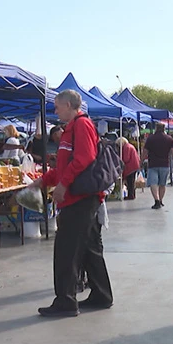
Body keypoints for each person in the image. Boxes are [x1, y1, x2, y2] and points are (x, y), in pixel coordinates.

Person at [28, 89, 113, 317]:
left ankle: (66, 301)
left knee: (67, 250)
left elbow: (85, 159)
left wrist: (63, 186)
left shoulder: (81, 126)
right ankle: (101, 294)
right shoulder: (69, 130)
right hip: (81, 198)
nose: (55, 111)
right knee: (89, 248)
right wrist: (43, 180)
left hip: (80, 199)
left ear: (68, 105)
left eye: (57, 106)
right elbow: (65, 165)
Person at [143, 122, 173, 209]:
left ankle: (157, 200)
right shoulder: (169, 139)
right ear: (164, 129)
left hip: (153, 164)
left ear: (156, 128)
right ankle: (161, 200)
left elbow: (145, 152)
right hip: (165, 164)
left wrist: (141, 161)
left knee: (153, 183)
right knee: (162, 184)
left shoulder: (150, 138)